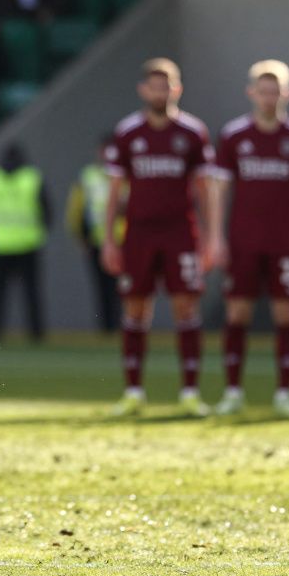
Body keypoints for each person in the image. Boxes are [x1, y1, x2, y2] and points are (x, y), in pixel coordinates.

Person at [100, 58, 214, 418]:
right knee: (135, 308)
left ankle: (190, 393)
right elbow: (115, 191)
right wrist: (109, 240)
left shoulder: (193, 133)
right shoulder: (129, 133)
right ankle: (134, 391)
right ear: (143, 90)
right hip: (139, 234)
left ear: (177, 89)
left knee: (186, 307)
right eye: (154, 85)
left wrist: (211, 238)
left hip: (181, 232)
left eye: (167, 85)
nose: (160, 91)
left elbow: (204, 188)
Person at [207, 61, 289, 418]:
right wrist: (216, 236)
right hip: (243, 241)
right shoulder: (235, 136)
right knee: (237, 313)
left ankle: (285, 392)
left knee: (286, 315)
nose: (269, 97)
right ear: (251, 93)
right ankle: (233, 391)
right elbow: (219, 189)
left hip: (284, 241)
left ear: (286, 94)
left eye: (276, 90)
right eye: (263, 90)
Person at [0, 145, 51, 339]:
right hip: (29, 242)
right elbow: (46, 210)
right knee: (31, 293)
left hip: (0, 243)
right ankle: (36, 334)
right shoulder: (32, 177)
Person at [66, 134, 123, 332]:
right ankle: (107, 329)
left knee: (124, 289)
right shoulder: (88, 176)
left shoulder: (125, 175)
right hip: (97, 241)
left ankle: (123, 327)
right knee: (102, 288)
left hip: (123, 240)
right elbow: (76, 209)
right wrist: (80, 237)